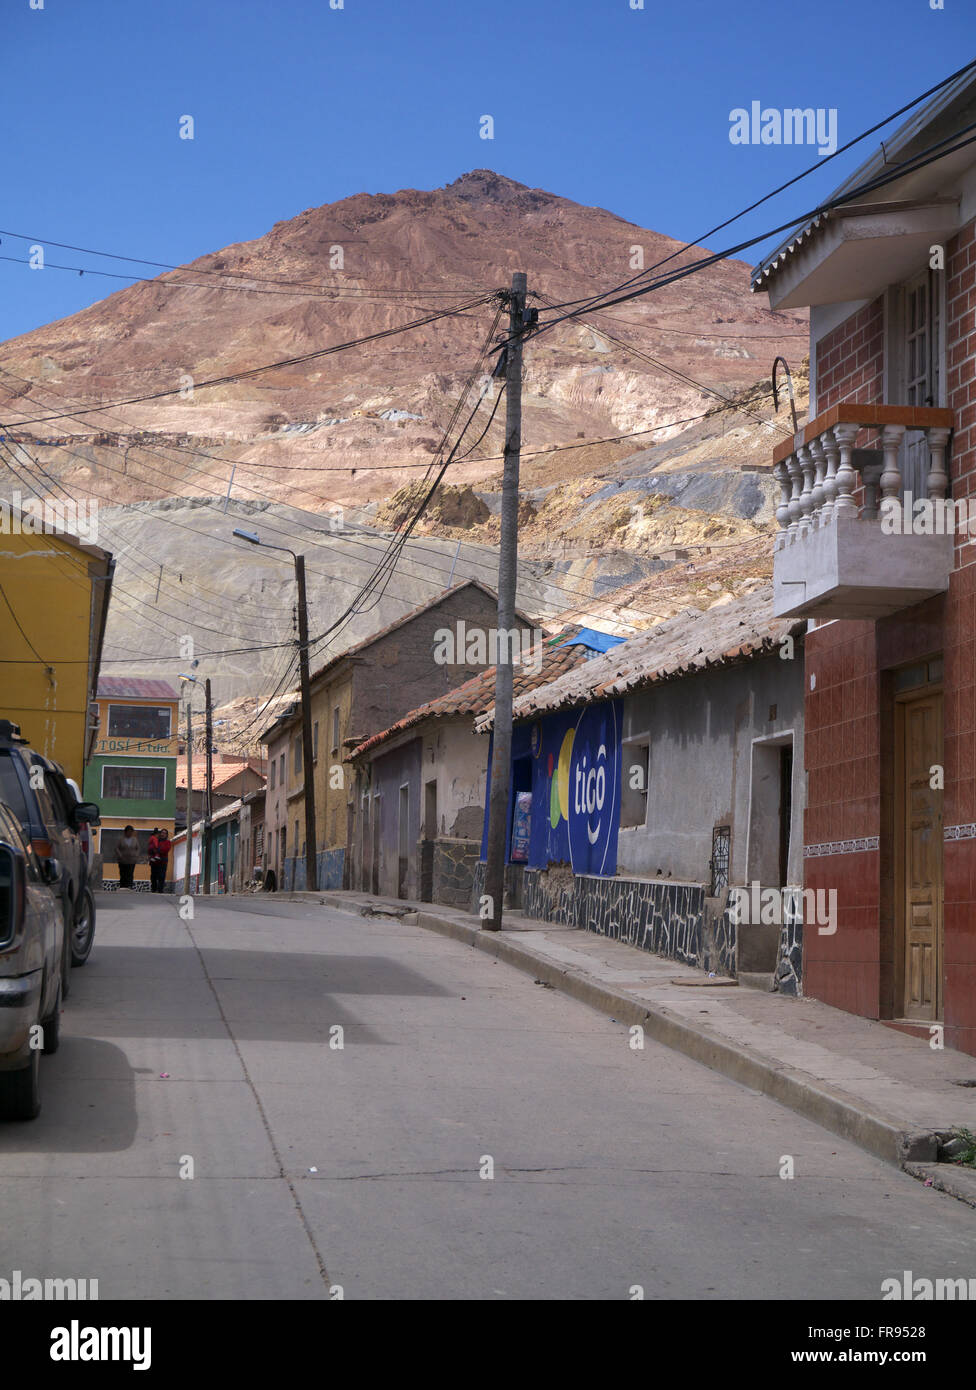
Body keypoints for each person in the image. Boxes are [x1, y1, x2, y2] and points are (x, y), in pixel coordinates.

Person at [149, 828, 171, 893]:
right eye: (162, 833)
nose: (163, 834)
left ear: (166, 835)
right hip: (155, 862)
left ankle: (160, 890)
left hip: (163, 862)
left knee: (161, 876)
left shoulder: (168, 842)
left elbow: (165, 850)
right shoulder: (156, 841)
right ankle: (153, 889)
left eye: (165, 833)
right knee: (153, 876)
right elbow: (151, 847)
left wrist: (157, 850)